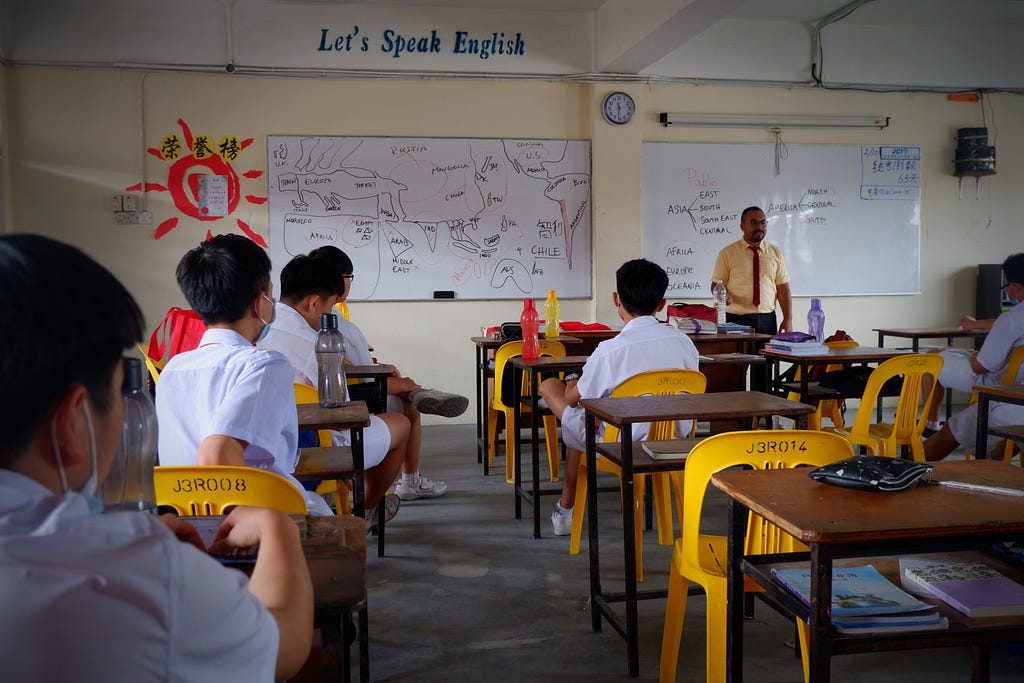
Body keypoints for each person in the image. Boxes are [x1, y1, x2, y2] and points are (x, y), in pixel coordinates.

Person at [0, 234, 313, 680]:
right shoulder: (142, 576)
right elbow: (282, 648)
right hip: (244, 520)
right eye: (115, 394)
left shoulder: (173, 370)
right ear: (73, 421)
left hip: (178, 507)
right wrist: (274, 528)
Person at [155, 234, 332, 516]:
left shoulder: (173, 369)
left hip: (184, 520)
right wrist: (248, 525)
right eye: (271, 296)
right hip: (247, 520)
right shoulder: (264, 365)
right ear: (258, 303)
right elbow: (217, 454)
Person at [258, 254, 436, 520]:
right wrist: (393, 386)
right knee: (400, 423)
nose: (330, 316)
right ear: (314, 303)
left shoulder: (260, 329)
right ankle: (365, 511)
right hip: (317, 446)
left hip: (263, 443)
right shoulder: (313, 342)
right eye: (329, 308)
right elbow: (341, 400)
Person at [538, 258, 700, 536]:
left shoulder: (610, 350)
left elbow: (574, 397)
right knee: (590, 417)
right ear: (662, 304)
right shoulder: (685, 343)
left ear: (616, 299)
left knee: (553, 389)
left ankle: (566, 506)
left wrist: (571, 383)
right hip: (672, 442)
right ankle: (566, 506)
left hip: (621, 445)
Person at [307, 245, 470, 499]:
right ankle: (407, 481)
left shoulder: (316, 317)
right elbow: (360, 377)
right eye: (349, 277)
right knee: (409, 407)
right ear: (338, 279)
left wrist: (379, 367)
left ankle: (418, 392)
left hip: (346, 393)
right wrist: (393, 379)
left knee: (400, 385)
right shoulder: (334, 323)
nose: (350, 283)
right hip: (353, 401)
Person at [923, 253, 1024, 460]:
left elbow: (980, 367)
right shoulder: (1011, 318)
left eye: (1006, 286)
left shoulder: (1012, 318)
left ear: (1016, 286)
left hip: (1005, 390)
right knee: (1006, 440)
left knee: (930, 361)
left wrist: (976, 356)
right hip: (1014, 387)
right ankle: (989, 470)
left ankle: (901, 469)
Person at [711, 206, 793, 335]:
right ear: (742, 226)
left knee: (768, 355)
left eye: (763, 222)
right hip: (735, 320)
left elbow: (783, 287)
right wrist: (723, 296)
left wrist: (788, 319)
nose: (759, 226)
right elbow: (716, 284)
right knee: (739, 355)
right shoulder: (727, 253)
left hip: (767, 320)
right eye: (754, 222)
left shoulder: (775, 252)